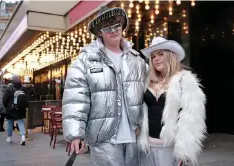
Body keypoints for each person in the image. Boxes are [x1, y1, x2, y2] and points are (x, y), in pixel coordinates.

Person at [62, 6, 147, 166]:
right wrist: (75, 134)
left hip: (134, 136)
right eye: (107, 28)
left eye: (117, 26)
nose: (113, 30)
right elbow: (76, 98)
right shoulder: (86, 60)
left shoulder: (136, 60)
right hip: (103, 138)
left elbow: (152, 88)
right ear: (99, 32)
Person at [137, 37, 206, 166]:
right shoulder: (147, 80)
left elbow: (192, 118)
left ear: (170, 55)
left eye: (160, 54)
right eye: (153, 56)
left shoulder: (184, 79)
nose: (156, 59)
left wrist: (184, 152)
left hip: (170, 149)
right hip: (147, 147)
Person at [3, 75, 28, 145]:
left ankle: (9, 138)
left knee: (10, 123)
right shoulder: (23, 88)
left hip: (11, 109)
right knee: (21, 122)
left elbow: (4, 100)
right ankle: (23, 136)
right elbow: (26, 98)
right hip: (20, 109)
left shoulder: (9, 89)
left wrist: (7, 107)